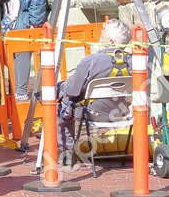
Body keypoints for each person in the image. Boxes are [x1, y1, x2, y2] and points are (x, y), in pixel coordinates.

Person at [54, 18, 133, 165]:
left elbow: (72, 90)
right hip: (123, 112)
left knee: (61, 105)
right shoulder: (135, 61)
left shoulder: (91, 61)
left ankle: (67, 153)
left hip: (94, 113)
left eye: (103, 31)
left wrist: (60, 88)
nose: (100, 33)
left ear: (110, 40)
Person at [2, 0, 50, 120]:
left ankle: (21, 92)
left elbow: (38, 3)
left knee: (22, 56)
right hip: (13, 22)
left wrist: (34, 23)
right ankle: (17, 90)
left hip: (24, 22)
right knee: (14, 57)